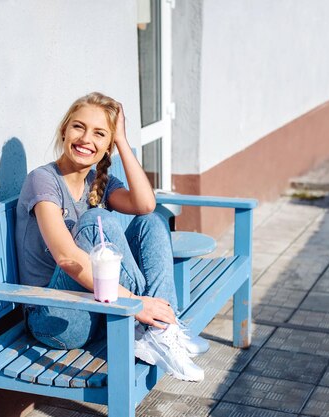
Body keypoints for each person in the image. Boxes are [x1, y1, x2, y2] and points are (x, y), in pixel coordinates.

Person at [15, 92, 209, 381]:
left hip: (97, 307)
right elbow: (67, 258)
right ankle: (153, 328)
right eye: (78, 127)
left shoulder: (98, 181)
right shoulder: (42, 179)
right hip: (55, 318)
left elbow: (145, 205)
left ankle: (161, 330)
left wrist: (122, 142)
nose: (85, 139)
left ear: (107, 147)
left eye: (99, 133)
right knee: (98, 219)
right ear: (64, 130)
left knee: (151, 223)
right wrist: (136, 303)